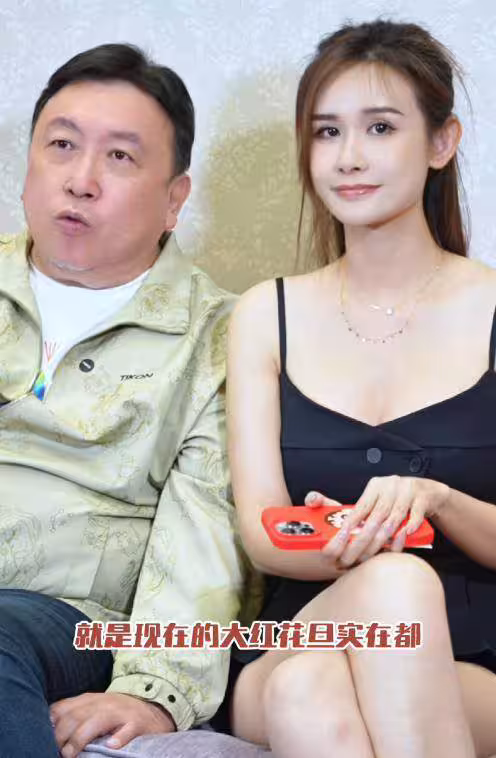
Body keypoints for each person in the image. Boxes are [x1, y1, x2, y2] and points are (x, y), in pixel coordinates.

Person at [225, 19, 496, 758]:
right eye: (326, 132)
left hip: (469, 657)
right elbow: (265, 534)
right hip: (305, 627)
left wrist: (437, 502)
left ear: (441, 143)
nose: (347, 157)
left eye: (380, 127)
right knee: (388, 589)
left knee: (310, 693)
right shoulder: (265, 315)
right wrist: (371, 543)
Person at [0, 43, 248, 758]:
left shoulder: (219, 339)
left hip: (66, 616)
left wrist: (156, 689)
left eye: (119, 157)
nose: (80, 181)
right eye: (62, 145)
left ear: (175, 199)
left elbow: (207, 529)